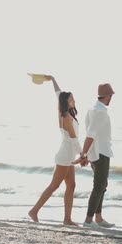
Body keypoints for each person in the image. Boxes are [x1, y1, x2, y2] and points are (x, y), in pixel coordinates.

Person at [28, 76, 81, 226]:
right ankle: (34, 211)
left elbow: (58, 94)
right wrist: (83, 155)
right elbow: (73, 139)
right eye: (71, 98)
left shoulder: (68, 113)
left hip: (68, 155)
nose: (74, 99)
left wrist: (52, 79)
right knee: (54, 185)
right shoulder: (66, 117)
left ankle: (67, 219)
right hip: (65, 156)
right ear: (67, 101)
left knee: (71, 185)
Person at [74, 83, 116, 229]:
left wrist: (86, 154)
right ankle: (88, 220)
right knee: (99, 186)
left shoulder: (93, 108)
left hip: (97, 152)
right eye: (111, 95)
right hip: (100, 153)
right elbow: (91, 134)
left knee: (102, 185)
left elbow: (90, 133)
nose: (111, 98)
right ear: (106, 96)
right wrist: (83, 154)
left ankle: (98, 218)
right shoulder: (100, 112)